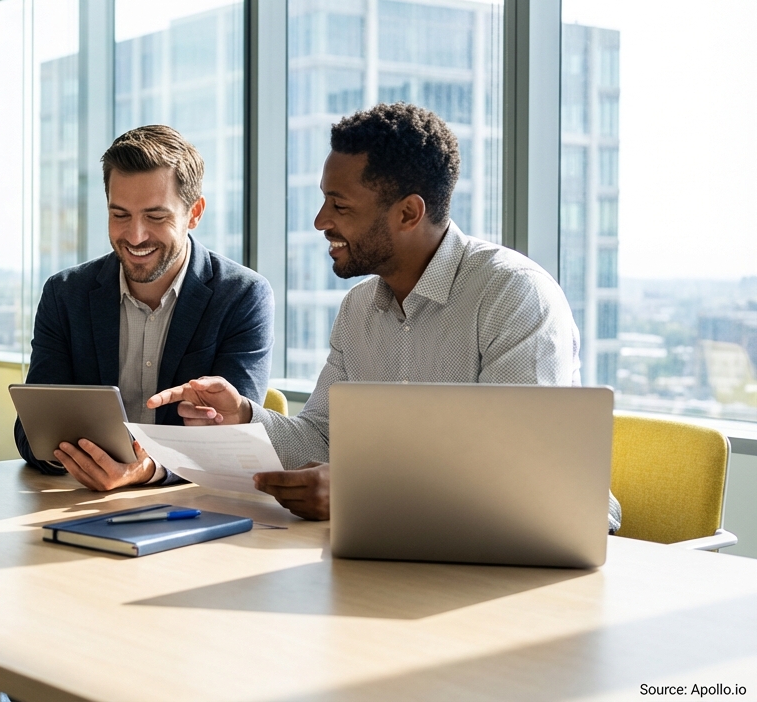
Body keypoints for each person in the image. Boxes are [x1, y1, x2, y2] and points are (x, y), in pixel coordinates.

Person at [148, 103, 622, 532]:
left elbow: (522, 472)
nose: (320, 220)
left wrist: (360, 493)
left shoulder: (513, 293)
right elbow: (322, 437)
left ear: (409, 213)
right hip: (410, 551)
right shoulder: (359, 308)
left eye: (340, 205)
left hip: (531, 552)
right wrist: (243, 417)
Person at [15, 124, 273, 491]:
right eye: (120, 215)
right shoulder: (65, 294)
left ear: (194, 213)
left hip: (191, 507)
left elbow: (231, 443)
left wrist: (149, 467)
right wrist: (83, 458)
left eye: (155, 217)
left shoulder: (242, 296)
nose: (135, 236)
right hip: (78, 501)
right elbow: (31, 434)